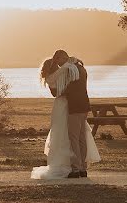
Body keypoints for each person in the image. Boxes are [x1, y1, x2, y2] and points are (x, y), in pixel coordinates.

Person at [31, 51, 100, 179]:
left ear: (62, 58)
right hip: (83, 105)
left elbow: (62, 91)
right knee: (81, 137)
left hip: (72, 107)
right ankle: (82, 168)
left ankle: (76, 168)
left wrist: (67, 67)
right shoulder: (78, 68)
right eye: (57, 63)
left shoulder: (68, 70)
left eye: (59, 61)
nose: (59, 65)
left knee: (73, 138)